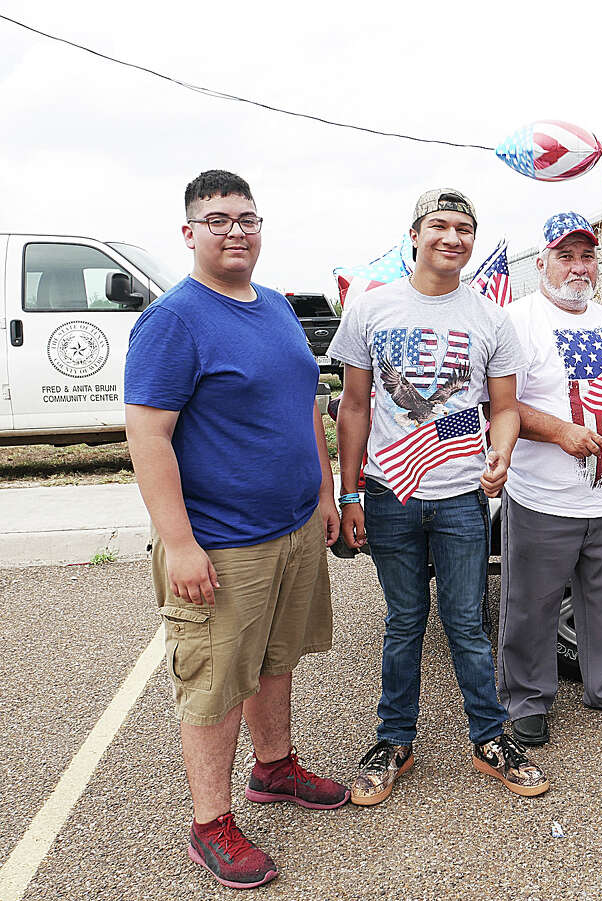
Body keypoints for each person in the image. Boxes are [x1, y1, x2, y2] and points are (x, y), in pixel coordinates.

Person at [125, 170, 348, 890]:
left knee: (275, 659)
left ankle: (275, 768)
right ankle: (209, 823)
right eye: (217, 219)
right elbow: (148, 438)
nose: (235, 231)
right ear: (189, 232)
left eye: (246, 218)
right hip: (221, 541)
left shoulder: (278, 307)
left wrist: (325, 492)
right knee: (215, 682)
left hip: (291, 528)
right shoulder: (174, 320)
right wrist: (182, 542)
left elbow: (306, 407)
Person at [329, 188, 548, 804]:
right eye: (440, 227)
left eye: (465, 229)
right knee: (404, 622)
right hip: (389, 492)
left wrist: (501, 451)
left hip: (459, 496)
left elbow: (501, 409)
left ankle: (490, 738)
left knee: (466, 624)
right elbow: (354, 406)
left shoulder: (489, 317)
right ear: (415, 235)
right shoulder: (371, 308)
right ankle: (394, 739)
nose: (452, 239)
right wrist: (349, 495)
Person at [497, 212, 602, 747]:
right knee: (531, 604)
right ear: (541, 262)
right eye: (565, 256)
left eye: (586, 256)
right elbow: (501, 404)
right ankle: (527, 700)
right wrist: (560, 433)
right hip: (544, 498)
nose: (577, 267)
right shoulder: (517, 321)